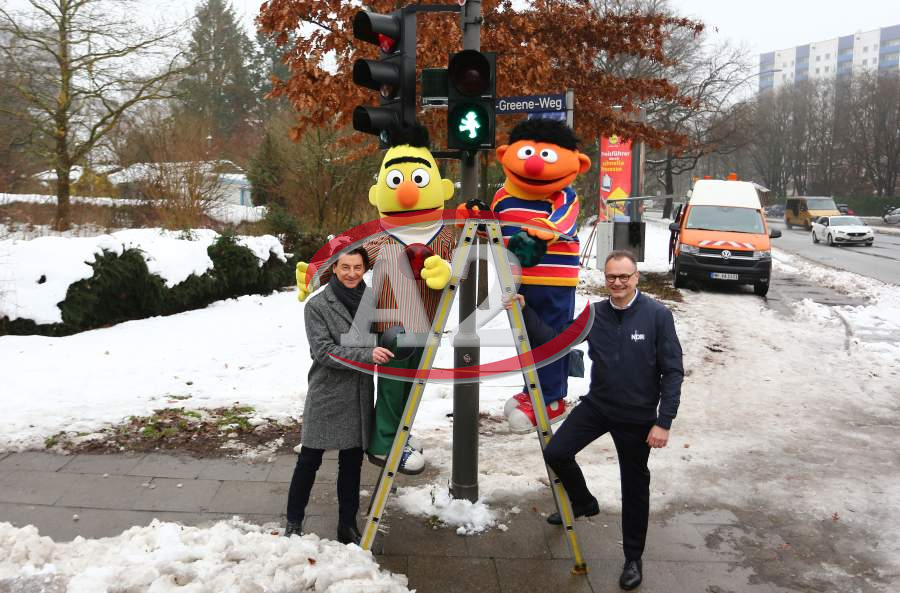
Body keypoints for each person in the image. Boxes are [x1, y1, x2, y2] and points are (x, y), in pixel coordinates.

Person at [507, 250, 684, 591]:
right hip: (599, 406)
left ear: (636, 278)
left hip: (637, 416)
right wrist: (524, 310)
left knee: (634, 488)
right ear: (605, 279)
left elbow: (673, 371)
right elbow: (556, 341)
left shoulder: (657, 315)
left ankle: (633, 559)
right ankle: (583, 501)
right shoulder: (595, 314)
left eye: (624, 276)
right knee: (556, 452)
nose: (617, 283)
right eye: (611, 277)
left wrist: (664, 421)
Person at [284, 248, 395, 545]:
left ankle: (347, 525)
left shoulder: (371, 300)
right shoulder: (317, 305)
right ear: (334, 268)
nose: (351, 273)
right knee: (309, 460)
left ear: (364, 269)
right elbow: (323, 351)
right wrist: (367, 354)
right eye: (345, 267)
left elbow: (384, 334)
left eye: (357, 267)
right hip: (328, 392)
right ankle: (293, 521)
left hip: (359, 393)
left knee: (351, 464)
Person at [489, 119, 591, 433]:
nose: (534, 164)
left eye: (545, 155)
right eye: (528, 153)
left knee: (551, 336)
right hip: (517, 280)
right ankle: (531, 387)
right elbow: (492, 226)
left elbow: (564, 222)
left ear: (578, 163)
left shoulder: (563, 196)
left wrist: (543, 230)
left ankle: (552, 398)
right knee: (525, 336)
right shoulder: (503, 196)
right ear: (505, 154)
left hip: (553, 281)